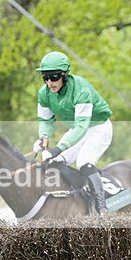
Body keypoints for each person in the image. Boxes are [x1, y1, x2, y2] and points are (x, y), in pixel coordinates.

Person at [32, 51, 113, 214]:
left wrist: (57, 148)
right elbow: (46, 121)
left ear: (64, 74)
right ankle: (81, 194)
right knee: (56, 162)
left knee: (83, 161)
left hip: (99, 128)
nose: (49, 82)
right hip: (77, 129)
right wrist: (43, 138)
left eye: (54, 77)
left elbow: (82, 127)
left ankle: (101, 207)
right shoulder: (44, 93)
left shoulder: (81, 89)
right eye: (45, 77)